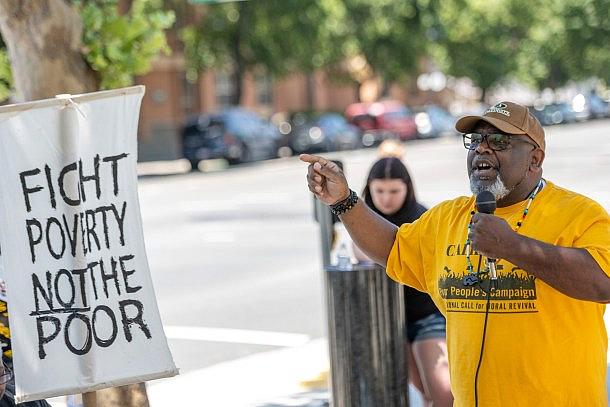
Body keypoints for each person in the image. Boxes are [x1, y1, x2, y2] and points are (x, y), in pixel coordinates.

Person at [301, 101, 610, 406]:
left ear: (535, 159)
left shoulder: (579, 215)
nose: (482, 150)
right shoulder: (448, 217)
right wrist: (343, 200)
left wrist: (512, 247)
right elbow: (393, 249)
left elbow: (603, 282)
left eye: (499, 141)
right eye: (475, 140)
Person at [353, 155, 453, 406]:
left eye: (394, 190)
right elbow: (359, 256)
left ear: (407, 188)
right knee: (424, 392)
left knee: (443, 391)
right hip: (389, 321)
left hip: (427, 314)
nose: (386, 198)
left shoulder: (422, 217)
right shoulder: (362, 220)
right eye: (380, 190)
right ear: (369, 189)